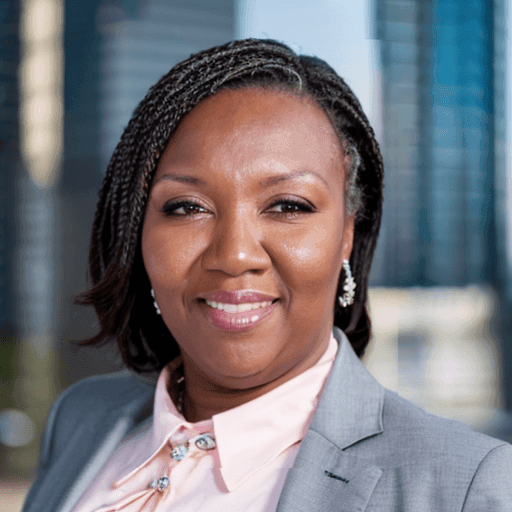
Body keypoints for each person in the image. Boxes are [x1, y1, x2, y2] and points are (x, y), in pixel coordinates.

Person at [22, 38, 512, 512]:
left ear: (347, 232)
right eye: (187, 206)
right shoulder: (82, 419)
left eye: (288, 205)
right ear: (139, 233)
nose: (234, 255)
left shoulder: (466, 486)